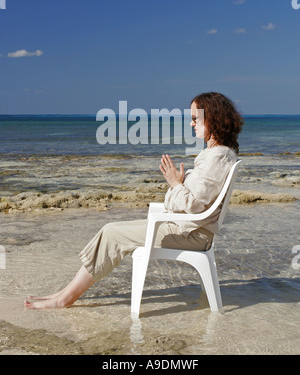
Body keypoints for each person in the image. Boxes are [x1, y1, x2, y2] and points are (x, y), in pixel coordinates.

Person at [24, 92, 243, 310]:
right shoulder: (217, 154)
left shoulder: (217, 157)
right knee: (109, 231)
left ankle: (65, 298)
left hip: (190, 234)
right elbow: (189, 201)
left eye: (195, 118)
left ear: (212, 118)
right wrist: (178, 185)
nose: (191, 123)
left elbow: (195, 205)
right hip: (189, 229)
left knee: (111, 234)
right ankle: (64, 293)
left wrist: (176, 184)